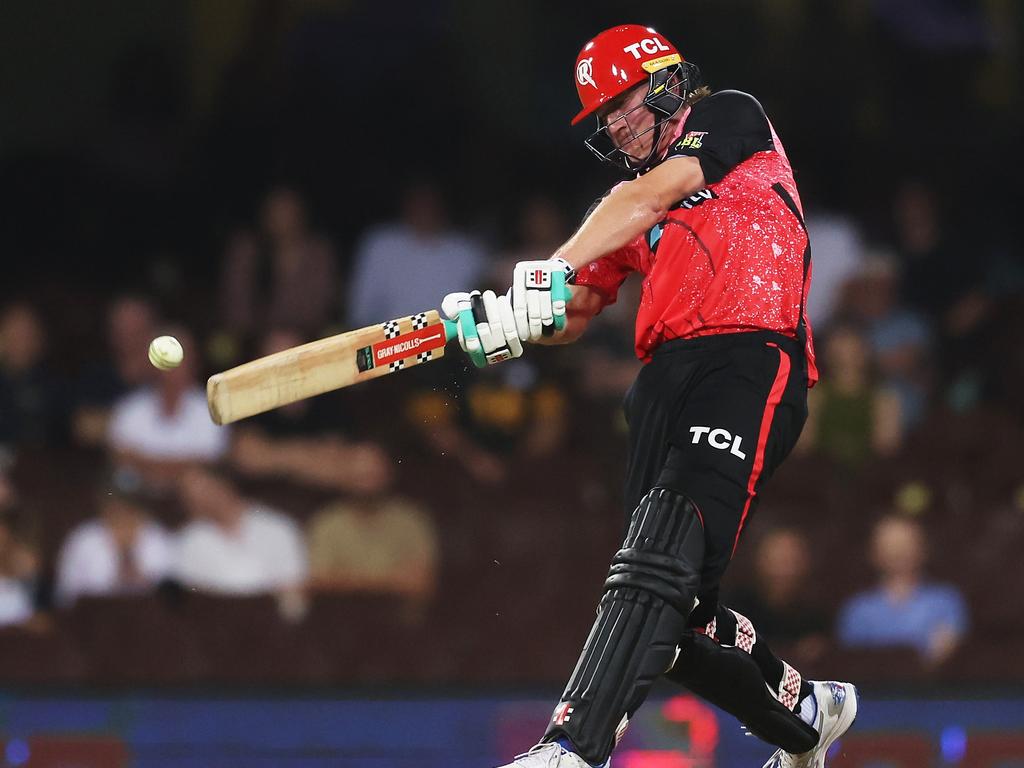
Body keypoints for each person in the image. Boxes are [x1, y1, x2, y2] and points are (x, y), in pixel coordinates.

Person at [440, 24, 856, 768]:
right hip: (662, 385)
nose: (612, 123)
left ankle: (571, 748)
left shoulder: (729, 117)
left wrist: (552, 264)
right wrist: (506, 323)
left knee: (657, 557)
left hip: (749, 357)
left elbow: (657, 191)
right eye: (602, 116)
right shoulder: (625, 208)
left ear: (664, 81)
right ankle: (806, 713)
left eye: (621, 103)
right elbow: (575, 309)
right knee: (673, 609)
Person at [837, 515, 968, 665]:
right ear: (873, 553)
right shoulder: (857, 608)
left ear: (923, 549)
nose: (899, 551)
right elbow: (851, 661)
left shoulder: (946, 600)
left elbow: (947, 654)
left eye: (906, 543)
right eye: (890, 544)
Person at [175, 465, 307, 596]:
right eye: (189, 494)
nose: (199, 499)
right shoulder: (190, 540)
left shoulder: (278, 528)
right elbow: (191, 592)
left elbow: (294, 584)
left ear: (224, 485)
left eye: (204, 489)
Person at [55, 470, 174, 606]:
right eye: (114, 505)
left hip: (149, 619)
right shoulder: (83, 539)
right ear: (103, 504)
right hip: (95, 620)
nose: (121, 512)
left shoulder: (159, 538)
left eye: (129, 506)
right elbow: (65, 595)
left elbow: (170, 597)